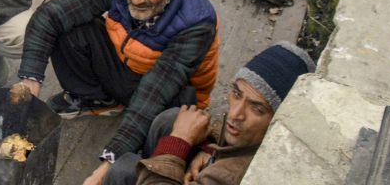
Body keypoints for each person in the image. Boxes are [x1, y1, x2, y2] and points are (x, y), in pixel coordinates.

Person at [16, 0, 221, 185]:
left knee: (152, 133)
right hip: (131, 67)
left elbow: (153, 94)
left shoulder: (196, 24)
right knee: (69, 27)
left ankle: (138, 142)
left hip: (170, 93)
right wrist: (30, 79)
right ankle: (101, 100)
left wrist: (107, 163)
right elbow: (50, 15)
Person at [105, 41, 315, 185]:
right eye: (236, 93)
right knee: (171, 119)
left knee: (123, 169)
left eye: (257, 108)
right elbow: (227, 134)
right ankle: (152, 168)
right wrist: (211, 149)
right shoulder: (251, 133)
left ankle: (151, 174)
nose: (235, 113)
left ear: (278, 120)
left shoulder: (229, 176)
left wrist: (179, 141)